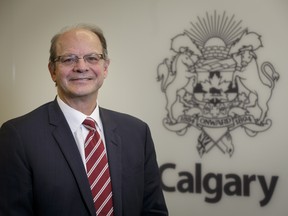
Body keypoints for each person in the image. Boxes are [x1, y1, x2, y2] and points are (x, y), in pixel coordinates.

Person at [0, 24, 168, 216]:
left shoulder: (137, 132)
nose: (81, 67)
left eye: (92, 58)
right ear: (52, 71)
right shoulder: (18, 136)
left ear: (105, 68)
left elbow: (153, 210)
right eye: (68, 59)